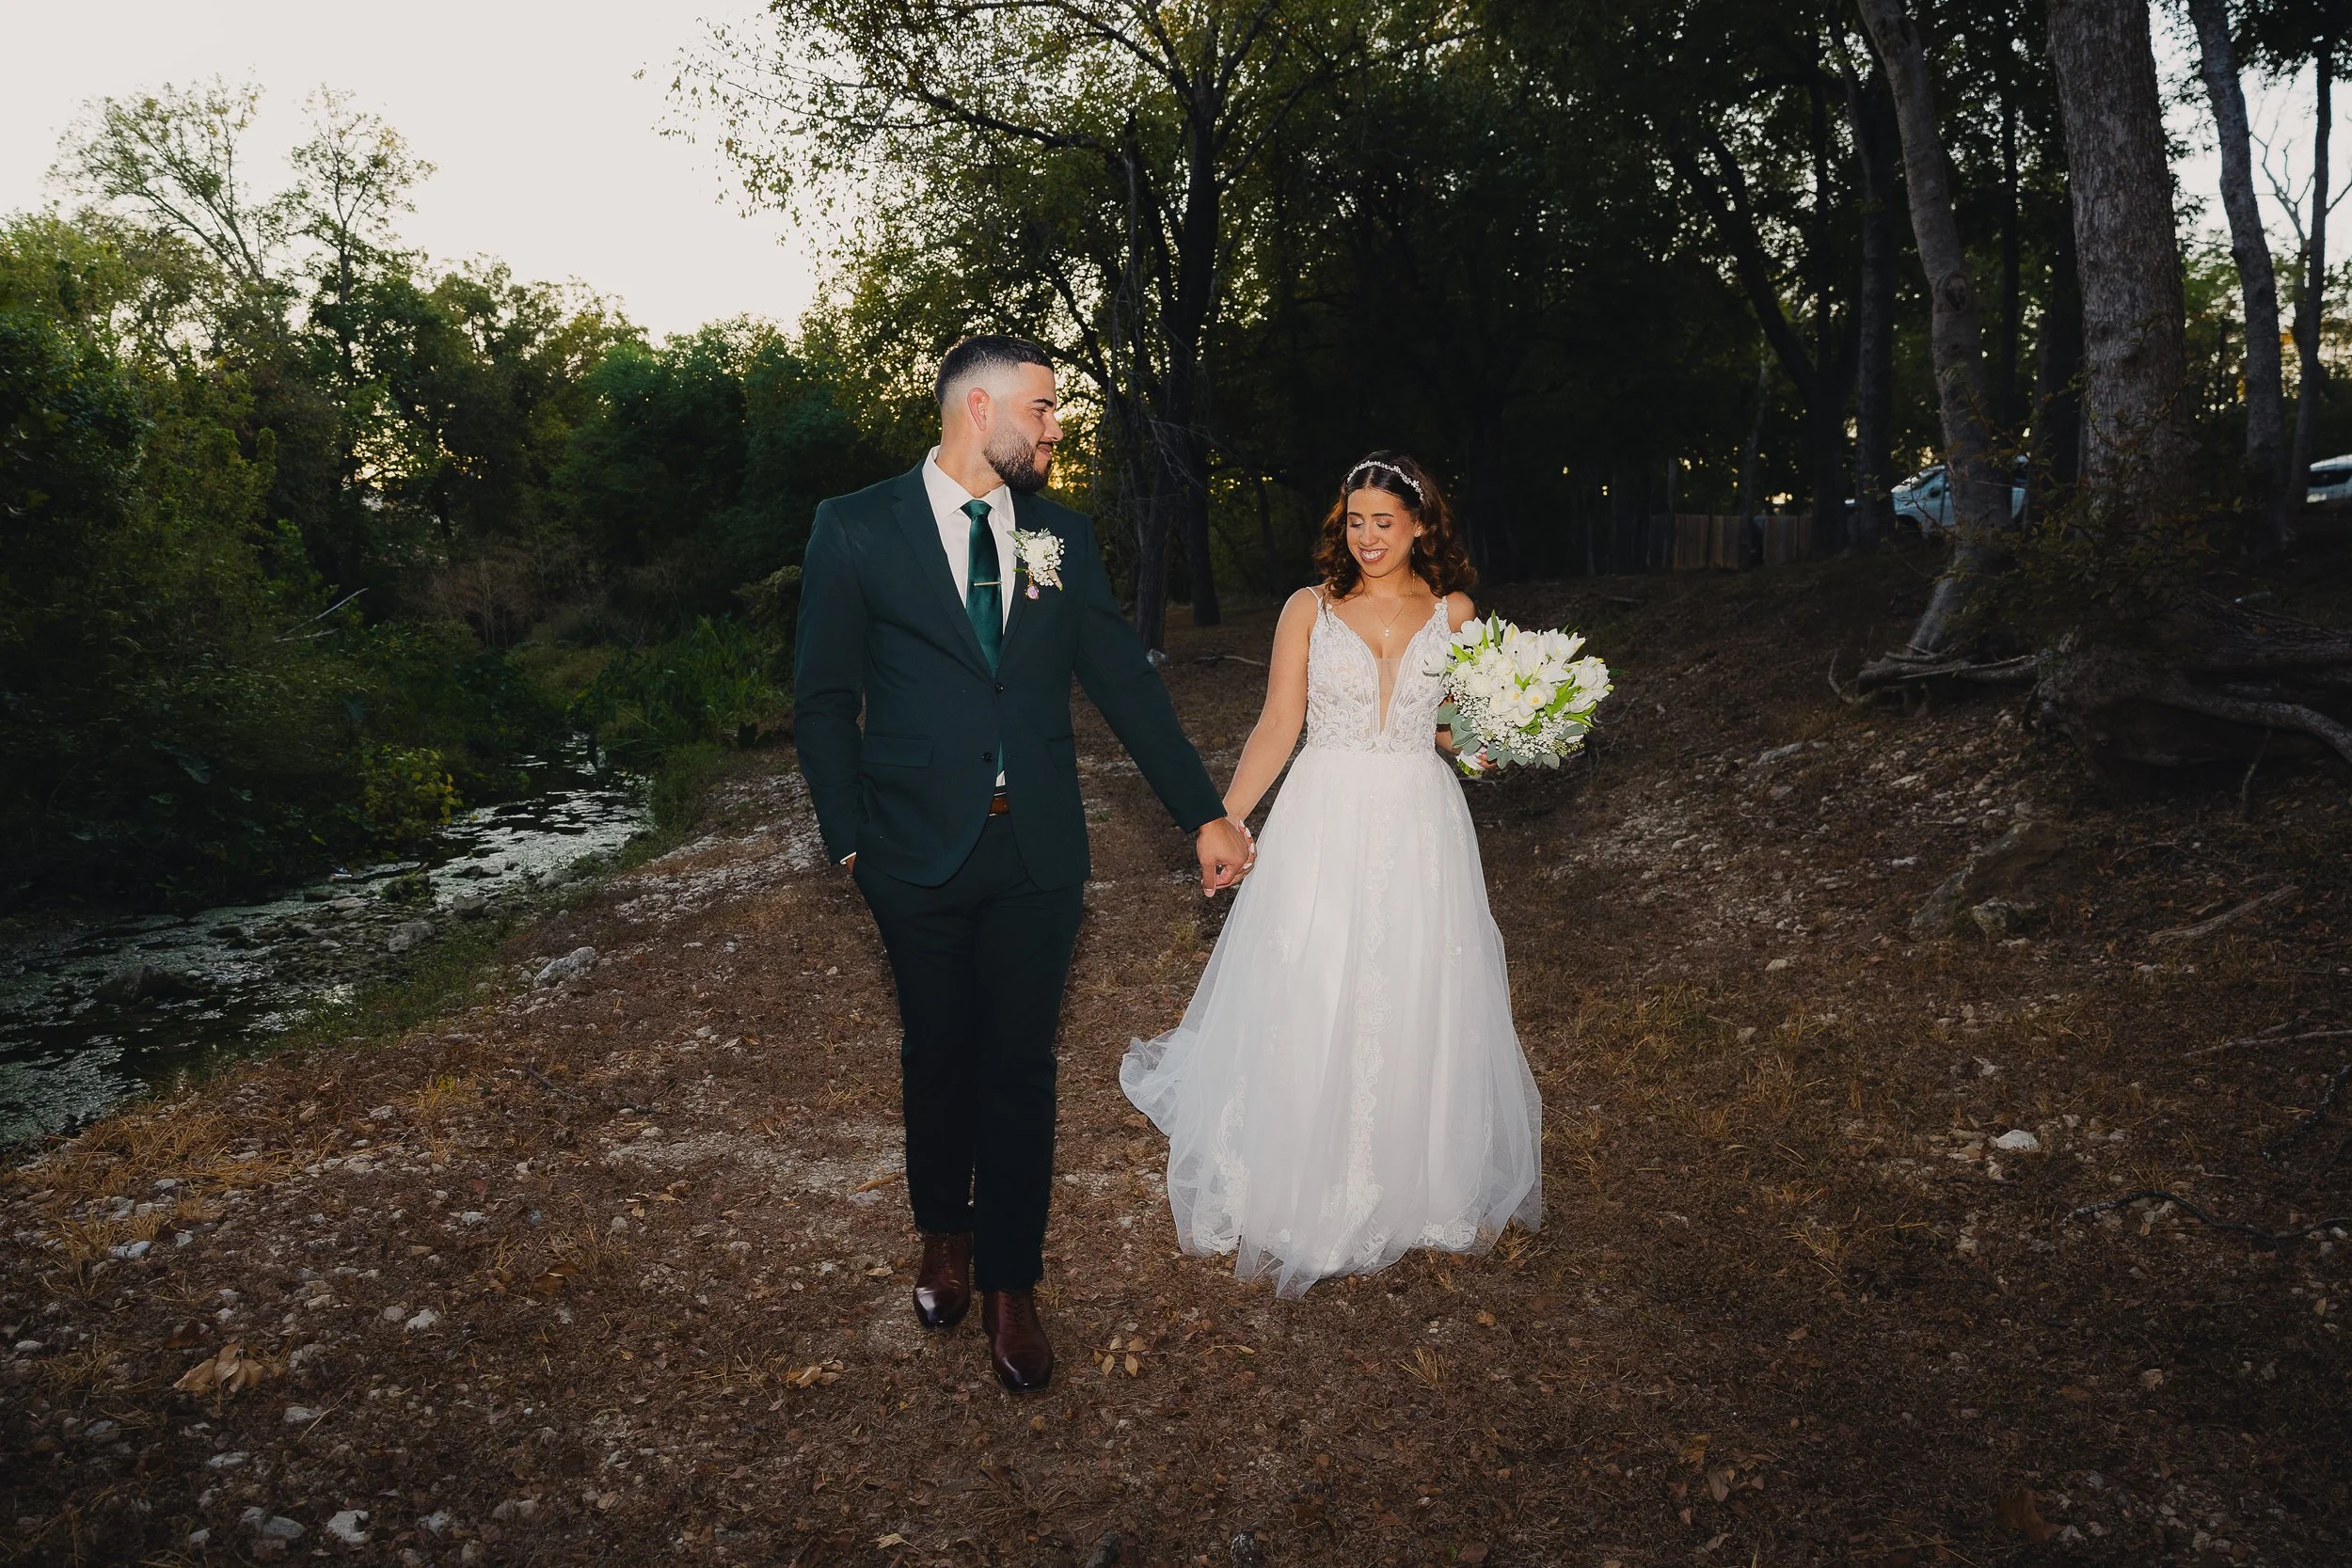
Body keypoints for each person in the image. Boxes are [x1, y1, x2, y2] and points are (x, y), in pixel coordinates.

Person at [793, 335, 1254, 1390]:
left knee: (1019, 1064)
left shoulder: (1060, 534)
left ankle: (1010, 1282)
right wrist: (849, 839)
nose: (1055, 429)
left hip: (1039, 846)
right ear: (980, 407)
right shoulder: (855, 527)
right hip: (909, 847)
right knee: (937, 1051)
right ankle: (941, 1234)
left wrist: (1205, 813)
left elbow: (1126, 687)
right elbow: (821, 697)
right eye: (1044, 410)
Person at [1120, 451, 1543, 1298]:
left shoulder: (1455, 612)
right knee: (1315, 975)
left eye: (1385, 521)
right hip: (1326, 811)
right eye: (1355, 521)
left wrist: (1501, 739)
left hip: (1421, 822)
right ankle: (1298, 1165)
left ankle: (1408, 1173)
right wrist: (1228, 821)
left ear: (1421, 524)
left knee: (1417, 980)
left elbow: (1452, 731)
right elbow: (1280, 722)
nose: (1368, 537)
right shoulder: (1309, 608)